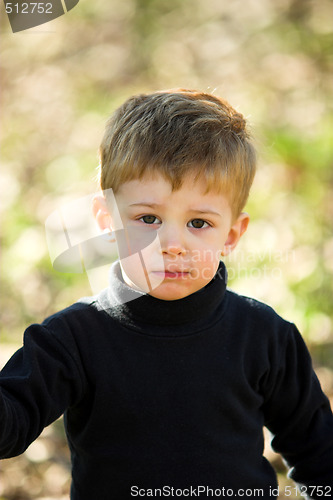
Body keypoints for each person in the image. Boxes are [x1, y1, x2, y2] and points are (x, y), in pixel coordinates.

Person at [1, 89, 333, 499]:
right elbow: (10, 427)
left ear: (231, 235)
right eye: (148, 218)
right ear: (107, 221)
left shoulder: (265, 336)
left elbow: (319, 452)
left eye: (198, 223)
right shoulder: (72, 340)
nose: (171, 243)